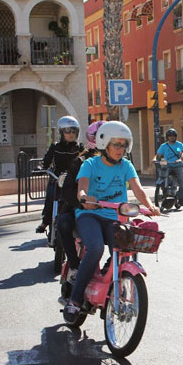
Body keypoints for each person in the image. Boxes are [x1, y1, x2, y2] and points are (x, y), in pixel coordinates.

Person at [63, 121, 160, 323]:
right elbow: (82, 186)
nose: (120, 149)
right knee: (96, 248)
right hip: (90, 216)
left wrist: (150, 206)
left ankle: (110, 278)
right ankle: (75, 299)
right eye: (116, 144)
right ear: (104, 143)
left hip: (113, 217)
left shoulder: (126, 165)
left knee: (127, 246)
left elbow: (138, 188)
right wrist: (84, 198)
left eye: (124, 145)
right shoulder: (90, 164)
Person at [57, 121, 104, 282]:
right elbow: (67, 191)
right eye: (102, 137)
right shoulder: (82, 161)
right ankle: (74, 264)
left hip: (108, 211)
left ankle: (115, 268)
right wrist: (82, 203)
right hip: (81, 210)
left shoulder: (119, 162)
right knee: (63, 222)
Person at [36, 116, 83, 233]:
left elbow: (87, 161)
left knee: (79, 198)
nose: (71, 134)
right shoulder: (55, 147)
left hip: (74, 180)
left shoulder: (80, 148)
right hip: (57, 178)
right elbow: (46, 161)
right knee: (51, 196)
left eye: (73, 131)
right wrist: (42, 168)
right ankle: (45, 221)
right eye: (67, 131)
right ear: (61, 132)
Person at [156, 128, 183, 207]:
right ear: (167, 137)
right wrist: (155, 159)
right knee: (162, 177)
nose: (171, 137)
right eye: (170, 136)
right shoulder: (164, 146)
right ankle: (163, 191)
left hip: (178, 166)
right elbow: (158, 155)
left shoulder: (178, 145)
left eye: (173, 136)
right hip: (167, 166)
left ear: (175, 137)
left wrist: (180, 159)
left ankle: (181, 199)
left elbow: (181, 153)